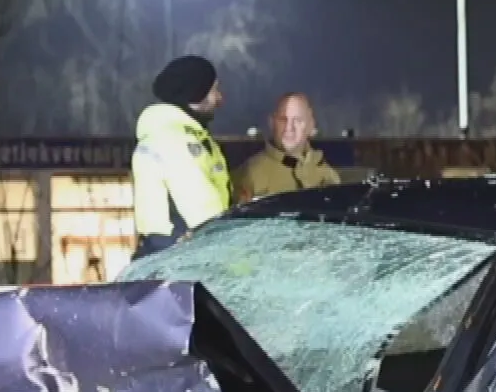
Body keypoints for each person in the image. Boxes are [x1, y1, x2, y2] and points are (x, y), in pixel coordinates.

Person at [132, 55, 230, 260]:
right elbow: (205, 216)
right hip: (180, 261)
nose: (220, 98)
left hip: (183, 257)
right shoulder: (173, 140)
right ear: (197, 93)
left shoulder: (192, 136)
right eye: (214, 90)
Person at [236, 93, 341, 202]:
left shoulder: (327, 174)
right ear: (272, 123)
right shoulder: (250, 174)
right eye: (283, 119)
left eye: (298, 120)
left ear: (310, 125)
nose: (289, 127)